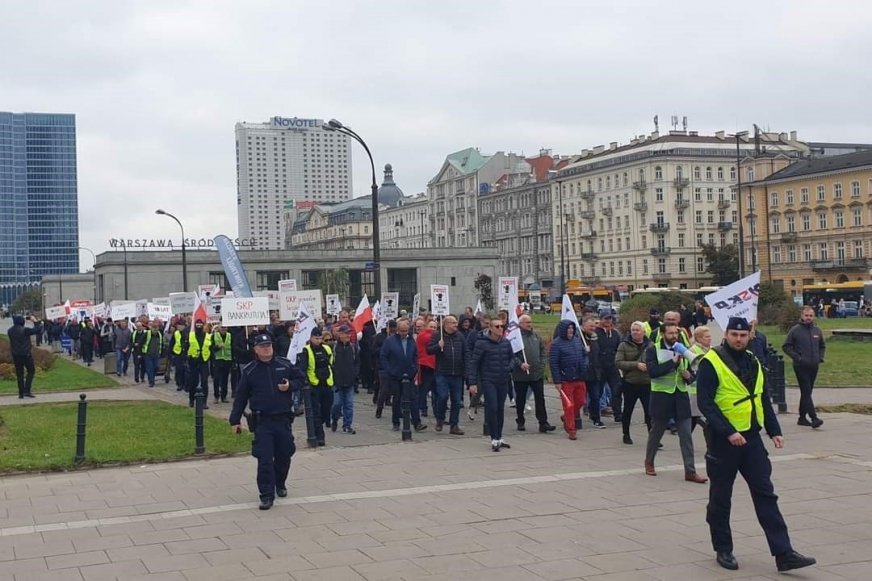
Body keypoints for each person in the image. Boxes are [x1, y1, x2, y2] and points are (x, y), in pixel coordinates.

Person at [697, 316, 816, 573]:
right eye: (734, 335)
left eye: (743, 335)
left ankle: (784, 553)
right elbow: (706, 403)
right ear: (726, 334)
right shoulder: (711, 362)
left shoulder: (754, 361)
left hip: (751, 441)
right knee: (721, 498)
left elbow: (762, 398)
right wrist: (728, 431)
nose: (738, 339)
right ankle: (723, 548)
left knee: (766, 495)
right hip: (723, 443)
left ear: (750, 335)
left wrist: (775, 430)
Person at [229, 333, 304, 510]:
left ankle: (280, 483)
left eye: (268, 345)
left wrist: (290, 386)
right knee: (264, 459)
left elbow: (301, 378)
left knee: (285, 454)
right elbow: (240, 397)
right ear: (255, 349)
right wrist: (235, 420)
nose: (266, 348)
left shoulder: (284, 364)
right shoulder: (250, 371)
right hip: (263, 422)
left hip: (283, 419)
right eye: (262, 346)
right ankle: (266, 495)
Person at [643, 322, 707, 484]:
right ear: (663, 334)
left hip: (680, 396)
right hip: (661, 397)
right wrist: (672, 362)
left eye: (675, 333)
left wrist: (689, 377)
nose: (674, 336)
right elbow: (653, 373)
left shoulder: (682, 348)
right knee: (656, 433)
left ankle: (690, 471)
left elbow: (692, 373)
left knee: (686, 435)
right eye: (670, 333)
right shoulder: (653, 349)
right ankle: (649, 462)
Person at [469, 316, 523, 451]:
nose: (500, 329)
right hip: (489, 380)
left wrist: (509, 367)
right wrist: (472, 382)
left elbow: (513, 358)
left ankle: (499, 436)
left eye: (502, 326)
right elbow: (474, 363)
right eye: (497, 326)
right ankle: (494, 438)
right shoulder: (482, 343)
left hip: (503, 379)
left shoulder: (505, 342)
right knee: (492, 408)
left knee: (500, 409)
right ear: (490, 329)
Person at [782, 306, 825, 428]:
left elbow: (822, 346)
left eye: (811, 316)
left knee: (807, 392)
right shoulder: (795, 330)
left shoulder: (817, 331)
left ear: (814, 317)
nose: (808, 318)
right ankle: (814, 418)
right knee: (806, 391)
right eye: (806, 316)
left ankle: (801, 417)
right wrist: (797, 358)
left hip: (814, 366)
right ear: (802, 316)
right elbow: (786, 346)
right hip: (801, 366)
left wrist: (820, 357)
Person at [380, 320, 427, 433]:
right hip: (395, 375)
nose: (404, 333)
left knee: (413, 398)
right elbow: (383, 357)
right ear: (397, 330)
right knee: (397, 399)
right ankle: (396, 422)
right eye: (402, 331)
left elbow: (416, 355)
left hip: (409, 374)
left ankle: (417, 422)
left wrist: (414, 368)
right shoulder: (390, 341)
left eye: (406, 331)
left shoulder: (411, 340)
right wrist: (389, 370)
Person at [510, 315, 555, 433]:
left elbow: (543, 351)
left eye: (530, 322)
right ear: (520, 324)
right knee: (521, 399)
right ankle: (520, 420)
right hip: (520, 375)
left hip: (536, 374)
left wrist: (542, 365)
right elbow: (511, 355)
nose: (529, 324)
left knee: (540, 399)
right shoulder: (516, 338)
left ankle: (543, 422)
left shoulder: (536, 336)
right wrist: (520, 364)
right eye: (526, 322)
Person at [427, 315, 467, 435]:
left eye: (456, 322)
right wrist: (438, 346)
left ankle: (454, 425)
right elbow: (429, 350)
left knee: (456, 401)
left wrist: (466, 368)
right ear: (446, 325)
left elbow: (466, 352)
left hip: (457, 373)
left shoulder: (460, 336)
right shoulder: (437, 335)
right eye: (453, 323)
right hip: (442, 373)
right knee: (443, 396)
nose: (456, 325)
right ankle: (440, 418)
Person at [549, 320, 588, 440]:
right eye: (568, 328)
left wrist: (585, 363)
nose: (570, 330)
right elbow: (553, 363)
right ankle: (571, 429)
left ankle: (566, 417)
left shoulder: (577, 341)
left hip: (579, 377)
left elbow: (584, 355)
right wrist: (557, 381)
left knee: (581, 401)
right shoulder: (556, 344)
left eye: (572, 328)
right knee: (569, 405)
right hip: (566, 379)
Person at [615, 321, 651, 445]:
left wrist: (650, 367)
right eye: (633, 330)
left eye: (637, 330)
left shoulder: (650, 345)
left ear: (643, 332)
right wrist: (636, 365)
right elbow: (619, 362)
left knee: (649, 412)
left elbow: (656, 361)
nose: (635, 332)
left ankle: (653, 437)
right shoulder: (624, 345)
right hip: (630, 383)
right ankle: (626, 434)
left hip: (647, 383)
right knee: (628, 410)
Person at [298, 327, 334, 446]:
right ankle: (319, 436)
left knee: (326, 410)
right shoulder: (306, 350)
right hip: (314, 385)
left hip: (327, 384)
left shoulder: (327, 349)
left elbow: (331, 364)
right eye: (316, 338)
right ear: (311, 338)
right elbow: (303, 368)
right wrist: (307, 382)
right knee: (316, 412)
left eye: (320, 338)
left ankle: (320, 426)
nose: (318, 341)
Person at [330, 325, 359, 434]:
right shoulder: (334, 348)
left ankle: (347, 425)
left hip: (350, 380)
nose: (348, 335)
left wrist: (355, 373)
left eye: (349, 333)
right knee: (337, 404)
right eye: (346, 333)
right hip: (337, 381)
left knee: (349, 404)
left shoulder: (353, 347)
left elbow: (357, 362)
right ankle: (335, 419)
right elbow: (330, 363)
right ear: (340, 334)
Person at [8, 315, 42, 398]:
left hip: (16, 355)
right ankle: (27, 390)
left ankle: (21, 393)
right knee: (31, 370)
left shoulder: (10, 331)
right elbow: (37, 330)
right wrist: (35, 321)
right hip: (26, 354)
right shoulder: (25, 330)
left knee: (19, 374)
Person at [596, 314, 623, 423]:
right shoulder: (596, 333)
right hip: (600, 367)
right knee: (597, 392)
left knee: (616, 391)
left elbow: (619, 348)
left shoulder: (615, 334)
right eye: (605, 319)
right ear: (601, 320)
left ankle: (618, 414)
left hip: (613, 367)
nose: (608, 321)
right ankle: (595, 414)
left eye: (609, 319)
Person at [581, 316, 606, 429]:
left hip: (594, 372)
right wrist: (583, 350)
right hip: (582, 373)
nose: (593, 328)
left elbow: (599, 353)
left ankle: (596, 418)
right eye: (590, 326)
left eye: (594, 326)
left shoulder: (596, 338)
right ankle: (573, 417)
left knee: (595, 397)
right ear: (584, 326)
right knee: (580, 398)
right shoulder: (578, 337)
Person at [185, 319, 212, 408]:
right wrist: (187, 358)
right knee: (194, 382)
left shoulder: (208, 336)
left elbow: (210, 348)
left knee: (204, 382)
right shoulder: (191, 335)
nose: (199, 325)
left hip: (204, 361)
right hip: (194, 361)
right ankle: (192, 400)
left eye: (201, 323)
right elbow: (186, 347)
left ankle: (204, 402)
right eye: (197, 323)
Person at [416, 319, 437, 418]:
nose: (433, 329)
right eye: (431, 327)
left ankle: (436, 410)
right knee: (424, 389)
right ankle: (423, 408)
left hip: (434, 365)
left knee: (435, 390)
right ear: (426, 326)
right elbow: (430, 340)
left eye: (435, 327)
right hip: (425, 364)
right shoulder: (423, 335)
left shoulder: (434, 335)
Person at [211, 323, 233, 403]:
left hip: (227, 360)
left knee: (225, 379)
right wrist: (218, 347)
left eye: (225, 327)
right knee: (216, 378)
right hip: (218, 359)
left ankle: (224, 396)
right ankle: (216, 396)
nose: (224, 329)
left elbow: (232, 347)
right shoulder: (214, 335)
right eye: (222, 327)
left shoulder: (230, 335)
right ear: (219, 328)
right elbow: (211, 348)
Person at [168, 319, 188, 392]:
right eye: (178, 325)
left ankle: (185, 385)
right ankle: (179, 384)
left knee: (185, 370)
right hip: (178, 354)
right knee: (179, 370)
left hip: (185, 354)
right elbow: (172, 343)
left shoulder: (187, 333)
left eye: (180, 325)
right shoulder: (176, 333)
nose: (179, 327)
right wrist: (171, 353)